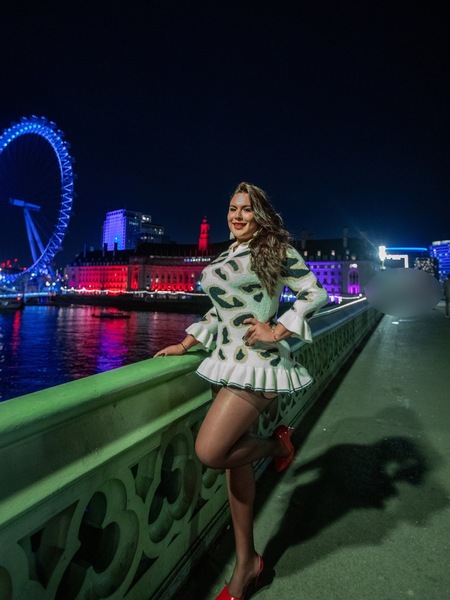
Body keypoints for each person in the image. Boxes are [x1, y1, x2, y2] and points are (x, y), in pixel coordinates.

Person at [154, 182, 329, 599]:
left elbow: (314, 291)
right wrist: (186, 344)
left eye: (246, 209)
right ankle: (247, 562)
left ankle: (278, 446)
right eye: (232, 209)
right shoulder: (225, 256)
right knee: (237, 464)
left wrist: (277, 330)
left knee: (210, 451)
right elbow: (219, 312)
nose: (237, 215)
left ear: (260, 214)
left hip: (258, 364)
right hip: (226, 363)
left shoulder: (275, 250)